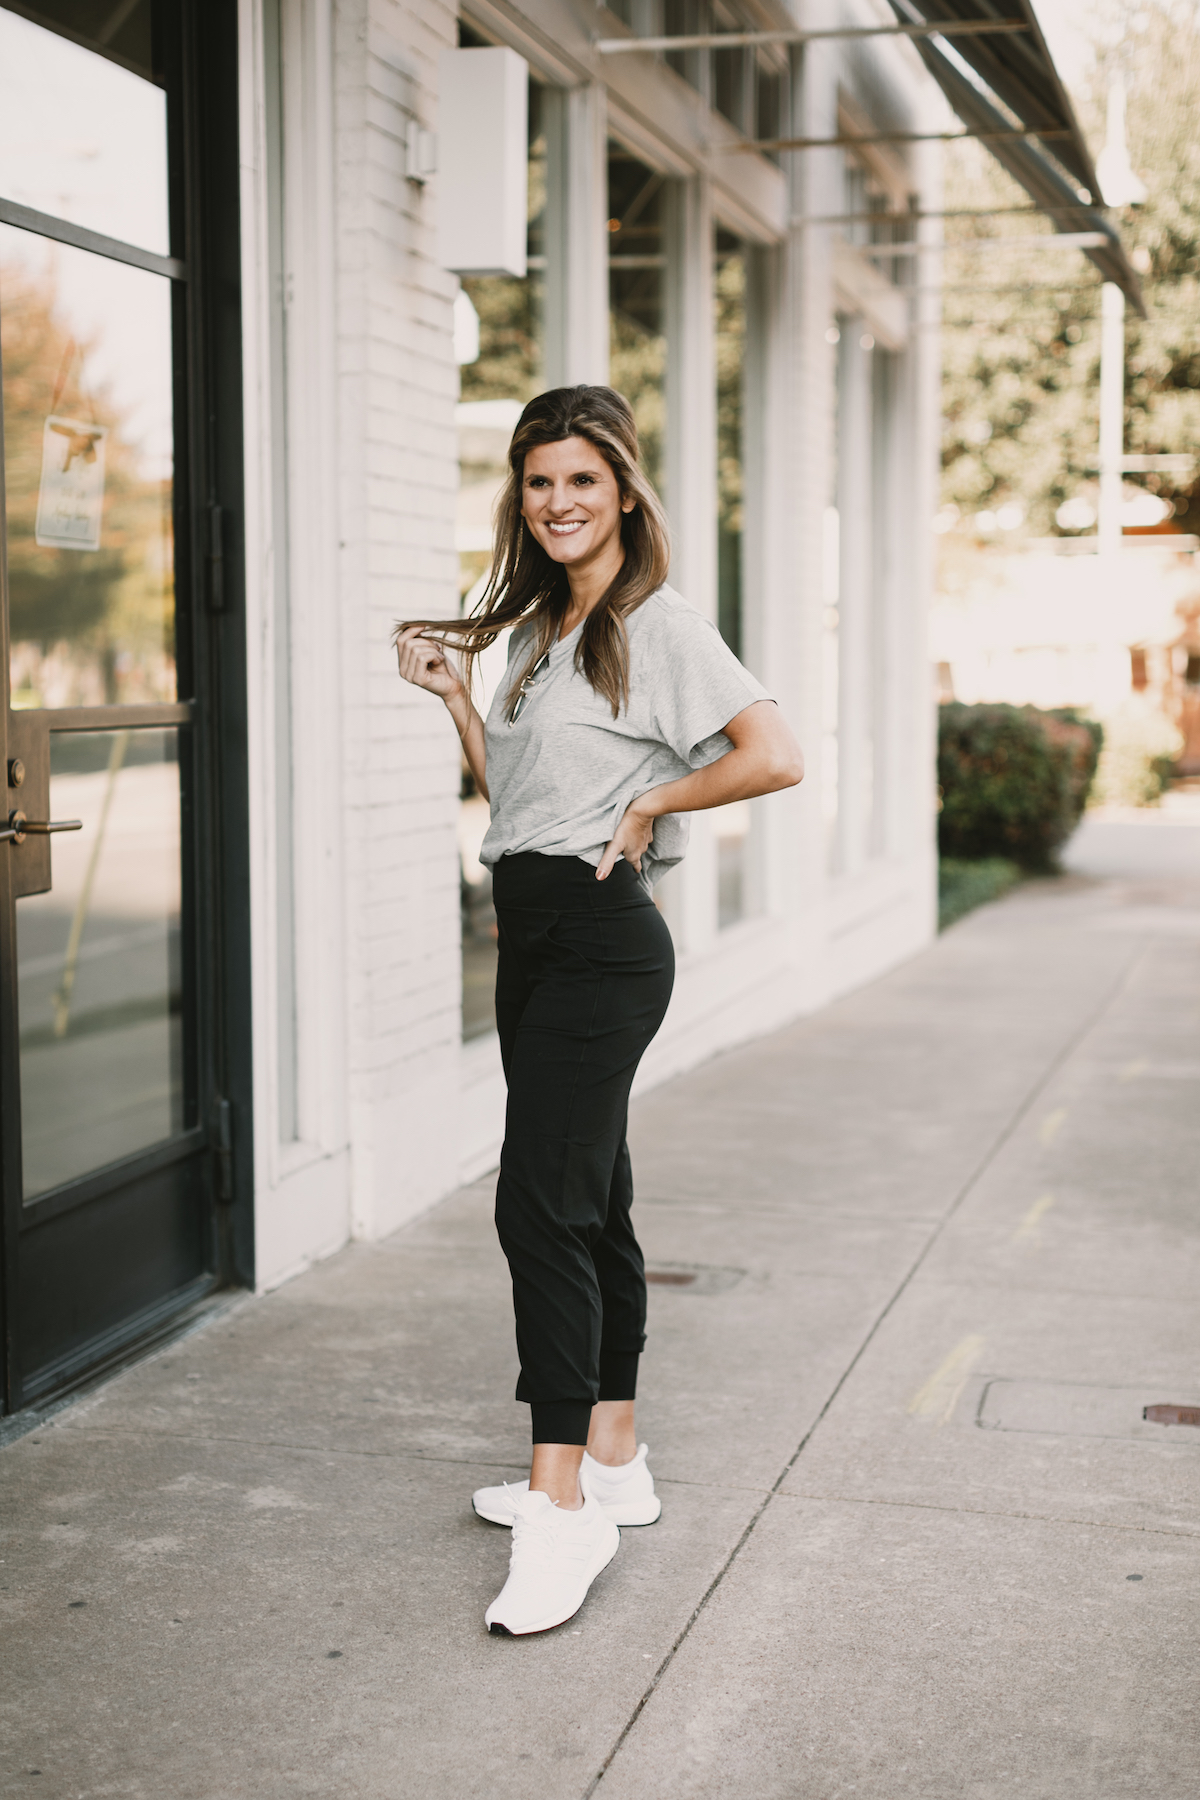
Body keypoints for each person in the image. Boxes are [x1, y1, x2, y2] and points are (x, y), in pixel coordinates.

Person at [394, 385, 803, 1637]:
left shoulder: (656, 623)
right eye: (538, 482)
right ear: (520, 499)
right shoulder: (537, 630)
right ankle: (616, 1457)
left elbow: (773, 751)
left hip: (603, 944)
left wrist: (651, 809)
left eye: (583, 479)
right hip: (534, 930)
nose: (560, 502)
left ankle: (559, 1503)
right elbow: (519, 801)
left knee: (541, 1207)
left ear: (625, 490)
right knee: (594, 1193)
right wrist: (464, 704)